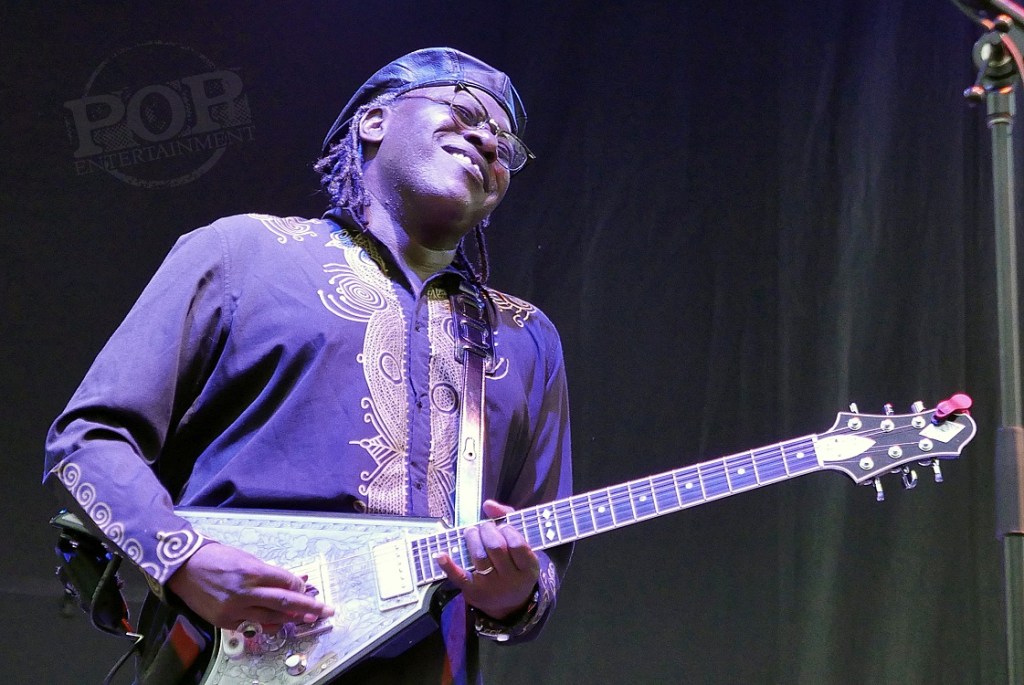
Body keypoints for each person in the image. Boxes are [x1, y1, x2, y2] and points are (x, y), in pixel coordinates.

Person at [44, 47, 573, 685]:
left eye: (505, 144)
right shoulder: (242, 253)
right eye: (463, 111)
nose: (488, 140)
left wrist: (515, 595)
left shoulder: (523, 336)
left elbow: (540, 559)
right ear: (374, 121)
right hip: (225, 656)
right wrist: (181, 558)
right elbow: (87, 441)